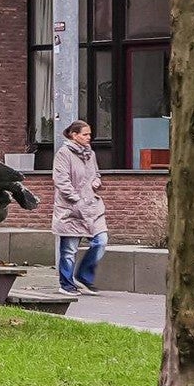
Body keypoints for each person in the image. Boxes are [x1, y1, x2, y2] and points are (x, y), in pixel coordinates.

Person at [50, 118, 108, 293]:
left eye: (90, 134)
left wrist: (97, 181)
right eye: (85, 134)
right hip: (71, 210)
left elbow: (95, 173)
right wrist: (75, 199)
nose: (89, 137)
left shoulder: (90, 154)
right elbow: (61, 180)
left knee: (101, 241)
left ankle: (83, 276)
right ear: (74, 135)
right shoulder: (64, 153)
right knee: (69, 250)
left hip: (92, 207)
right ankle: (67, 285)